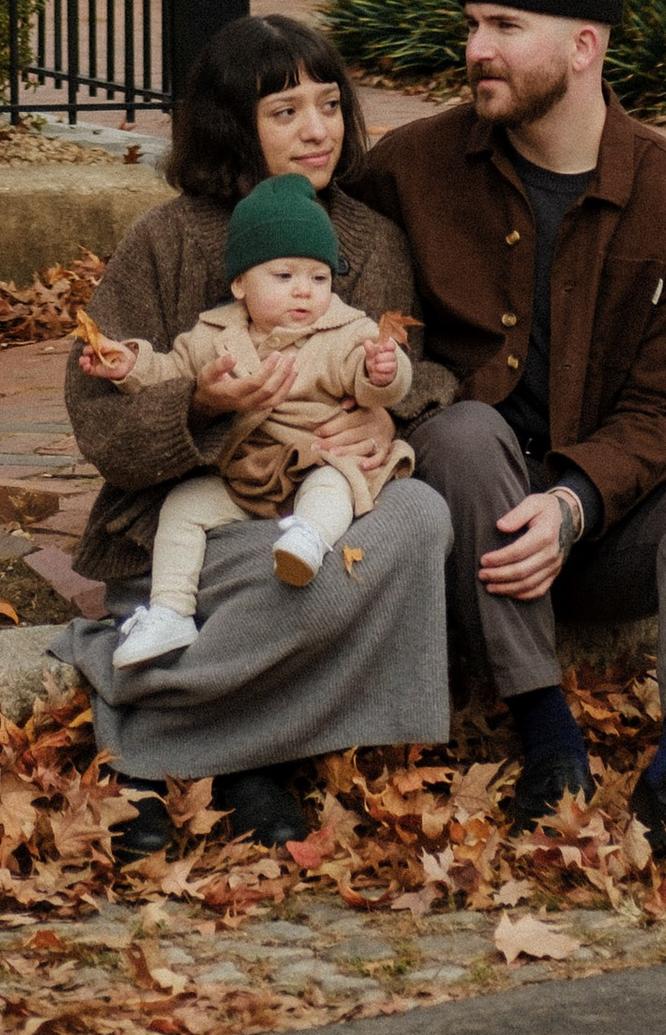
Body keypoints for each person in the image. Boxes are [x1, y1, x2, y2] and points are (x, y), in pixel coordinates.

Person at [354, 0, 666, 859]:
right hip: (470, 518)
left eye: (504, 26)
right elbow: (317, 274)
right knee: (461, 430)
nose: (476, 51)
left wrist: (575, 504)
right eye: (472, 26)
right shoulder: (410, 171)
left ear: (584, 46)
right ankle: (550, 742)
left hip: (606, 521)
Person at [59, 13, 454, 854]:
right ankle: (211, 758)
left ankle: (205, 741)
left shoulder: (369, 240)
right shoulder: (165, 240)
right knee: (294, 584)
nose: (316, 129)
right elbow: (99, 418)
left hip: (316, 507)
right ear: (232, 124)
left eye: (328, 104)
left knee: (418, 521)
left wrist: (390, 409)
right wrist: (198, 406)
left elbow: (416, 364)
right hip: (191, 525)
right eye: (284, 111)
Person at [77, 171, 416, 665]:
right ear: (240, 283)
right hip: (246, 474)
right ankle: (170, 611)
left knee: (335, 484)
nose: (304, 292)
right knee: (182, 508)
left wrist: (382, 372)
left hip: (314, 457)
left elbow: (368, 377)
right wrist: (130, 365)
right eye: (284, 277)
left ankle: (309, 539)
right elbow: (172, 372)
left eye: (318, 278)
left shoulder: (344, 330)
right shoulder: (212, 335)